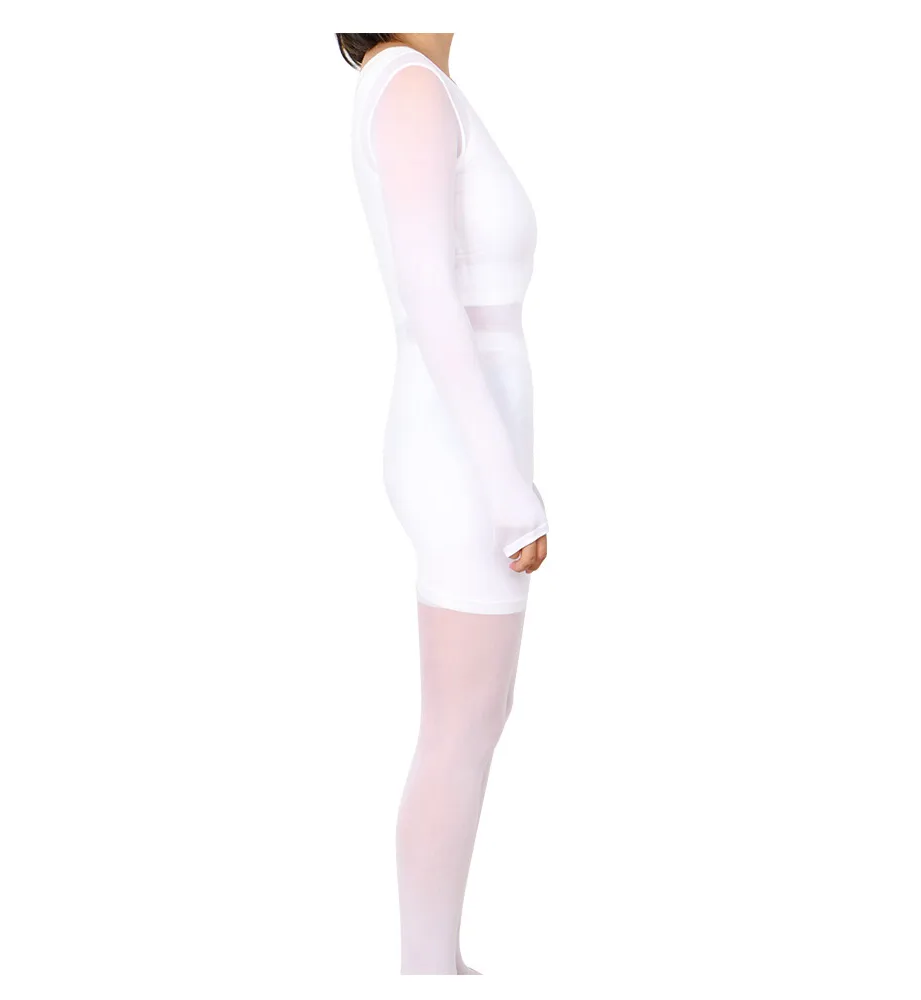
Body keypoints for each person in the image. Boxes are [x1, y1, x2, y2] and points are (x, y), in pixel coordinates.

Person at [338, 32, 550, 975]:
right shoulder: (409, 87)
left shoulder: (423, 85)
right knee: (460, 727)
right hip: (460, 456)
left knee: (478, 716)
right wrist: (507, 493)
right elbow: (431, 297)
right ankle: (426, 972)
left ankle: (439, 966)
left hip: (470, 447)